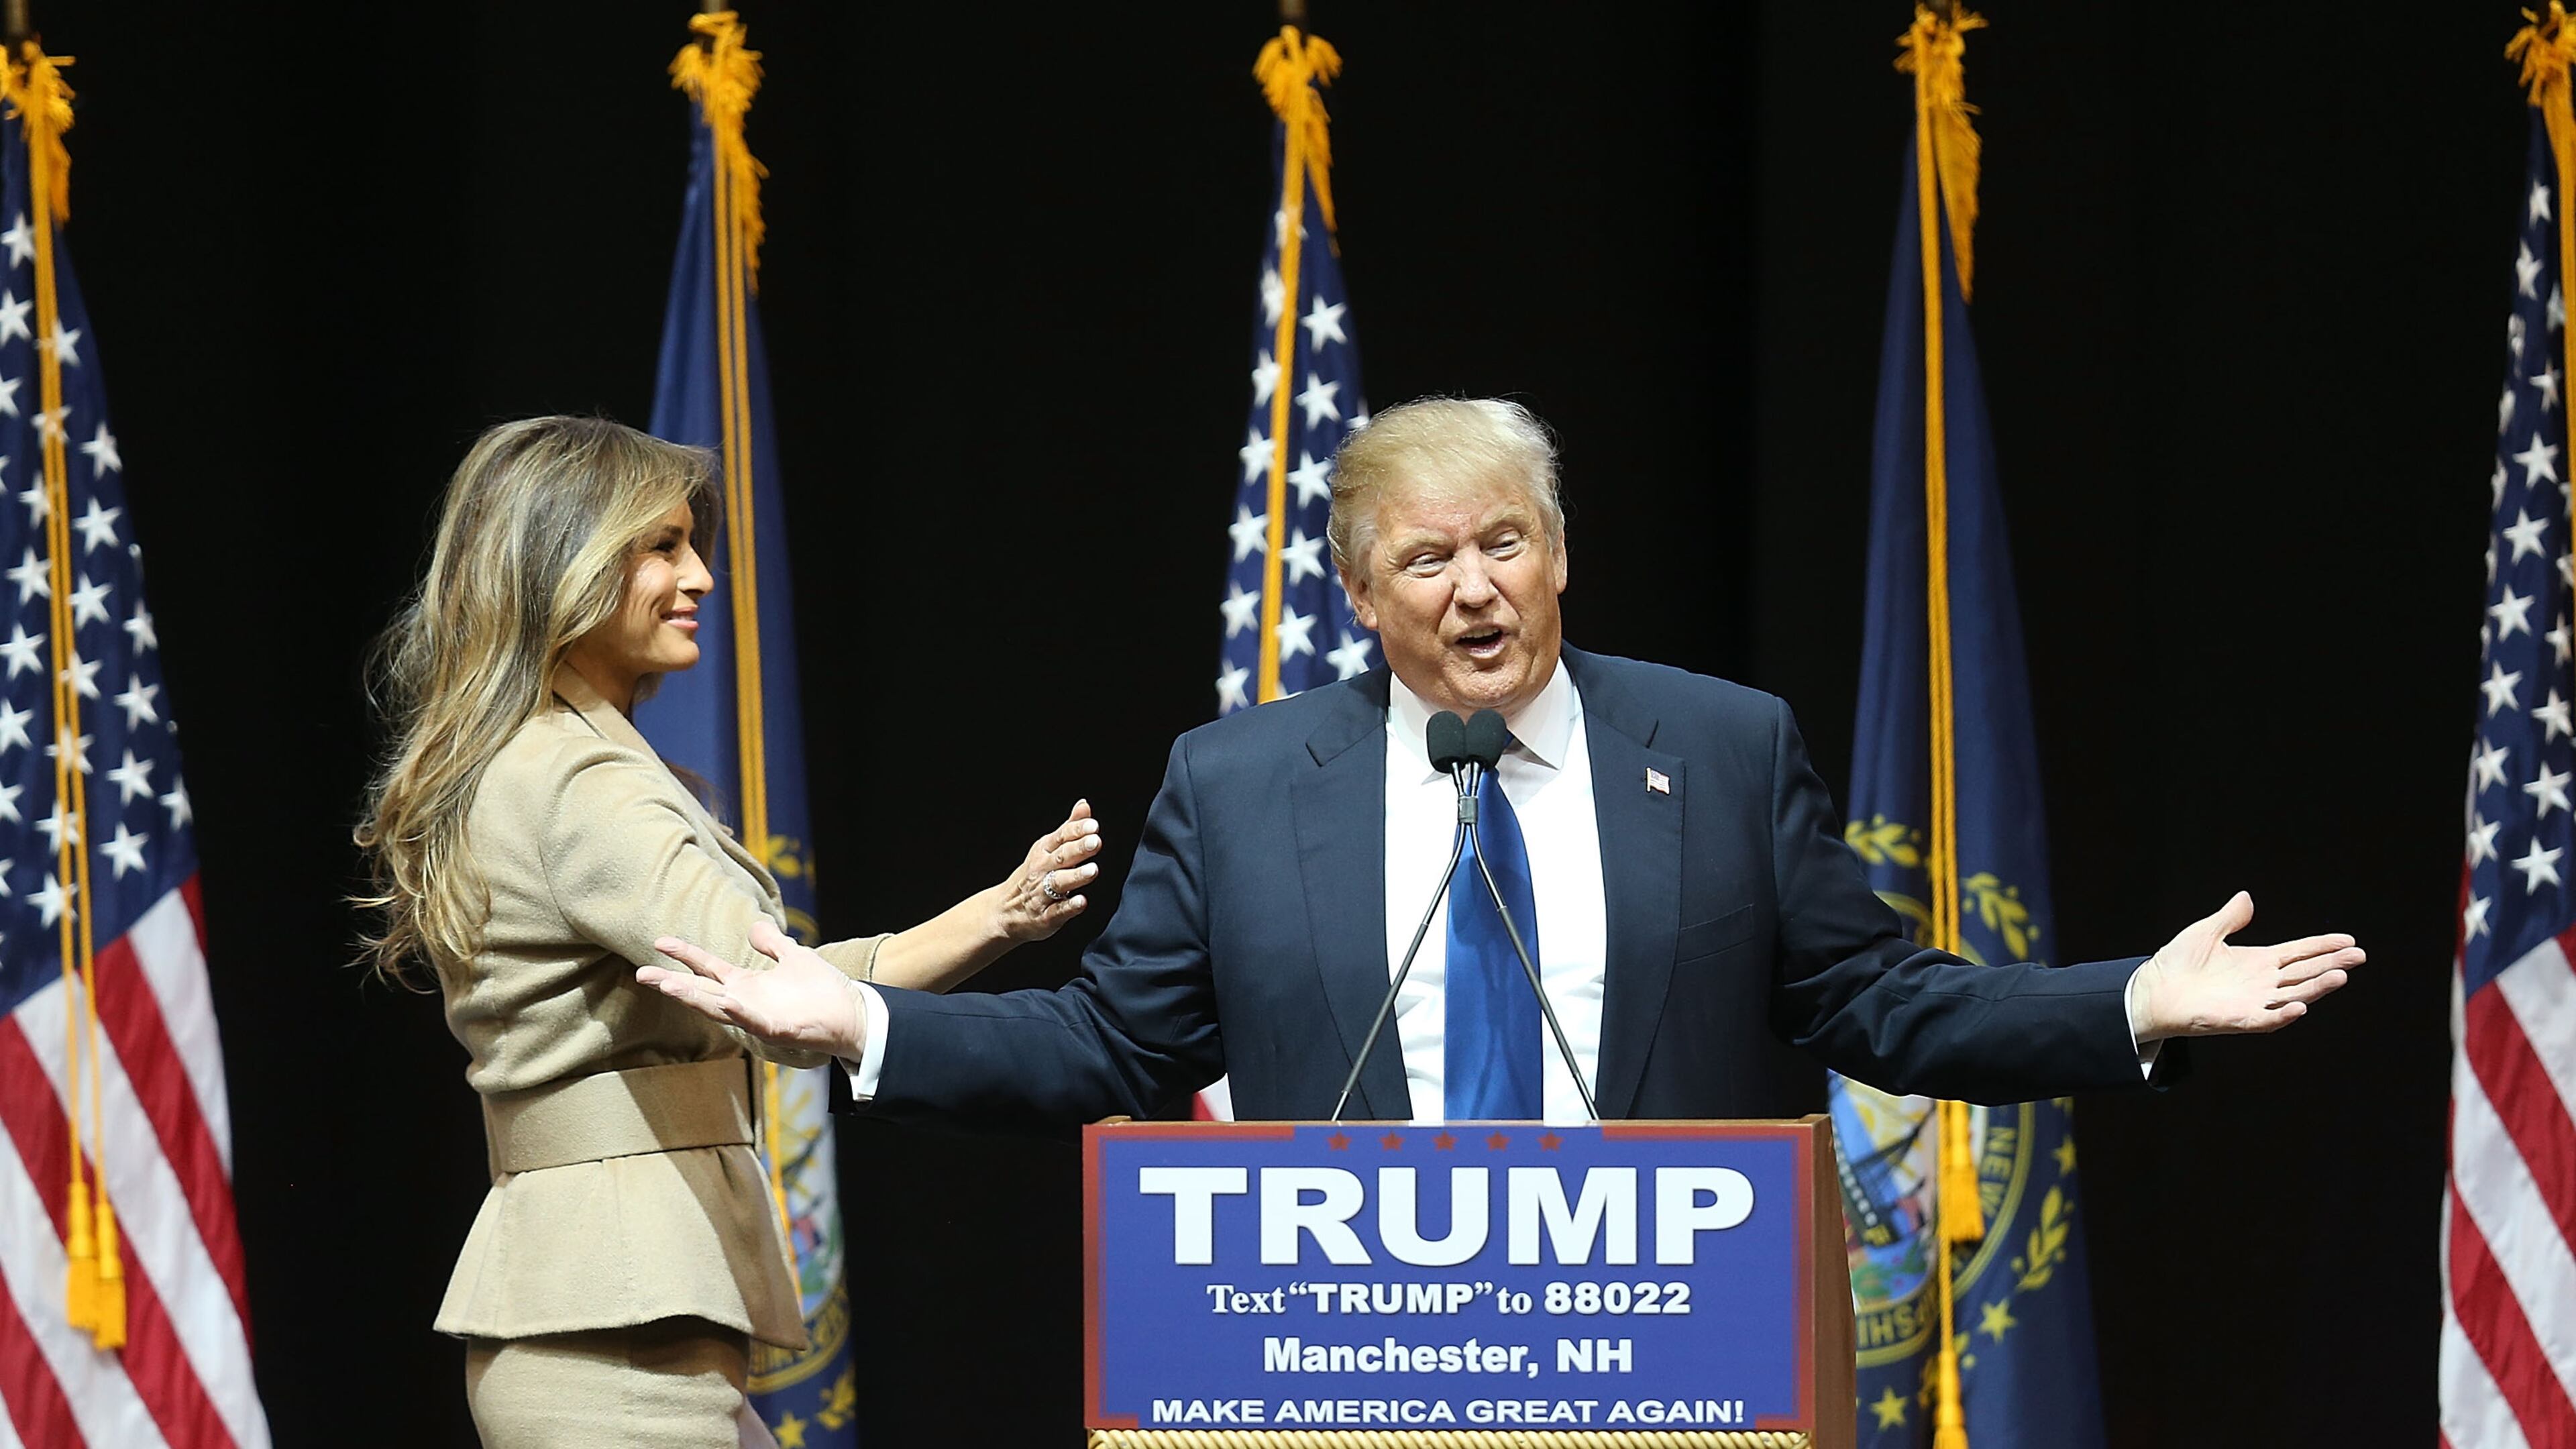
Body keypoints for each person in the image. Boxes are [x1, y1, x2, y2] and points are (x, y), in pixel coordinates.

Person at [639, 397, 2361, 1132]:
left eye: (1509, 544)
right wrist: (860, 1022)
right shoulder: (1239, 784)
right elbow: (1112, 1043)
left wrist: (2133, 1002)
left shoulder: (1720, 743)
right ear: (1360, 595)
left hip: (1666, 1371)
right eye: (1429, 560)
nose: (1478, 590)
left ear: (1560, 553)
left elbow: (1883, 1008)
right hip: (1339, 1379)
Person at [352, 417, 1104, 1448]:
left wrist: (998, 915)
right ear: (563, 566)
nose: (700, 574)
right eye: (660, 547)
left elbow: (773, 980)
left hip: (618, 1328)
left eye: (689, 543)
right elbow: (773, 999)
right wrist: (995, 934)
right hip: (616, 1345)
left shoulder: (556, 759)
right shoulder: (576, 783)